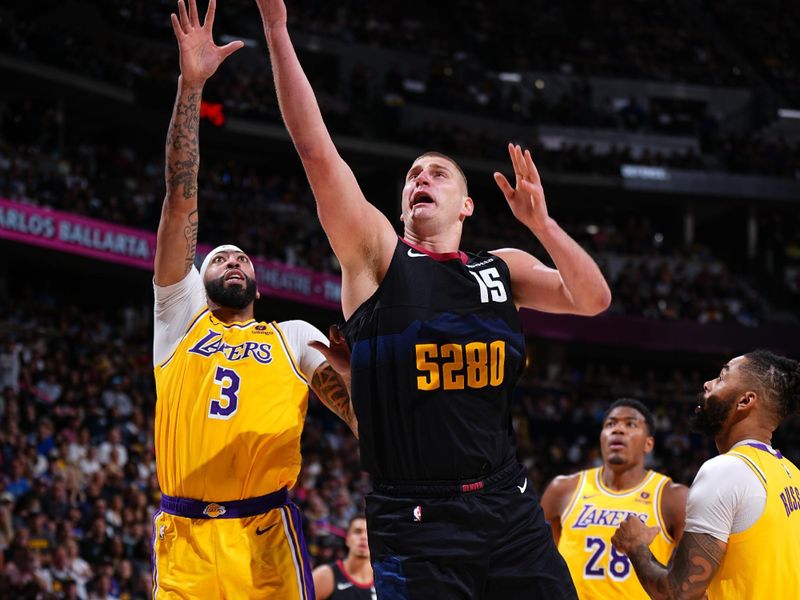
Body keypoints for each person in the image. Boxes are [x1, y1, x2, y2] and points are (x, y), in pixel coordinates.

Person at [255, 2, 612, 597]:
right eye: (413, 174)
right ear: (400, 206)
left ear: (467, 206)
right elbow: (317, 153)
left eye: (439, 174)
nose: (422, 178)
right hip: (415, 516)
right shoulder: (377, 258)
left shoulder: (503, 268)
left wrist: (544, 226)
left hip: (506, 503)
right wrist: (275, 28)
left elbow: (593, 299)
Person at [152, 1, 355, 598]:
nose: (233, 260)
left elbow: (352, 412)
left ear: (258, 284)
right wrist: (191, 87)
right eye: (219, 257)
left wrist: (359, 381)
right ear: (198, 275)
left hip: (267, 535)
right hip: (184, 537)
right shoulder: (178, 318)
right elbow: (179, 196)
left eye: (242, 258)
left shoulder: (290, 335)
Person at [612, 350, 800, 599]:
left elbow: (678, 592)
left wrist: (636, 545)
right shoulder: (792, 473)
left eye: (722, 378)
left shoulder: (726, 470)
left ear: (745, 401)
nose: (707, 384)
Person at [540, 398, 688, 599]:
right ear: (601, 437)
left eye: (630, 424)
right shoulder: (562, 489)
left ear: (648, 443)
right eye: (610, 424)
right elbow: (540, 563)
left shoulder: (672, 497)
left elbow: (687, 584)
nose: (618, 430)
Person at [312, 515, 376, 599]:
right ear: (347, 539)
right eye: (358, 531)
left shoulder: (384, 581)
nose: (363, 537)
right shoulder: (324, 575)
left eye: (369, 533)